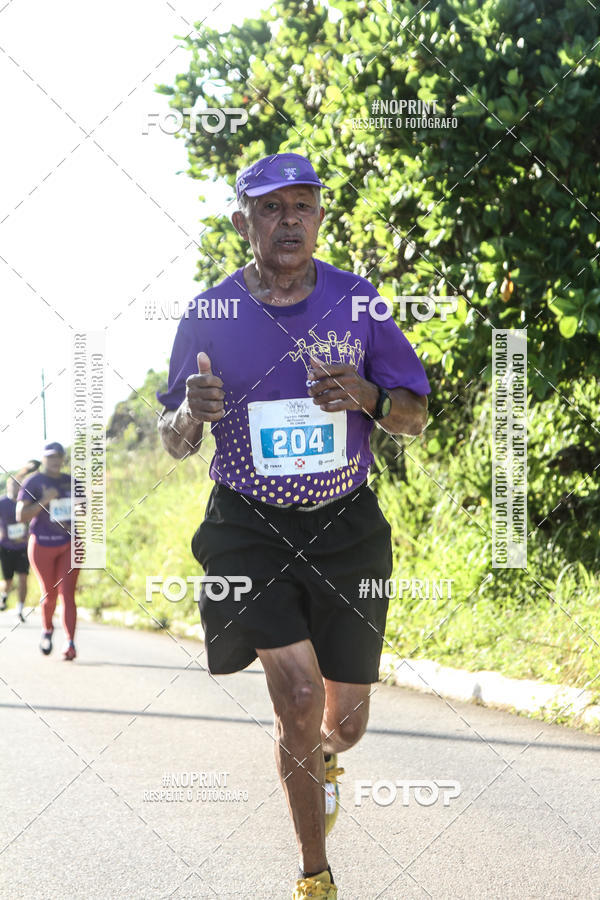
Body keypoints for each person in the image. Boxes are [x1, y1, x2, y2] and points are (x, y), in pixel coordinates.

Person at [157, 152, 430, 899]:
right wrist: (189, 413)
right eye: (271, 209)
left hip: (347, 524)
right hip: (247, 525)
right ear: (242, 221)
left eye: (302, 206)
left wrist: (370, 396)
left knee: (345, 723)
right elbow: (173, 437)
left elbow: (414, 414)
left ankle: (324, 759)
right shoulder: (209, 314)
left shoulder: (358, 302)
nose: (289, 221)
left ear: (318, 218)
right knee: (298, 700)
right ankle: (316, 875)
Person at [16, 442, 80, 660]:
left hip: (69, 543)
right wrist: (45, 500)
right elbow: (21, 516)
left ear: (63, 458)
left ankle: (70, 643)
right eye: (50, 456)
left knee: (67, 593)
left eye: (58, 456)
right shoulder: (33, 482)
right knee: (50, 594)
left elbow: (85, 510)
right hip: (42, 544)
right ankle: (47, 630)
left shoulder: (71, 482)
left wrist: (76, 516)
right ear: (44, 459)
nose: (55, 460)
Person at [0, 475, 31, 621]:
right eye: (12, 485)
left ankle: (20, 609)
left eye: (17, 485)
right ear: (8, 487)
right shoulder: (2, 502)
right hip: (6, 546)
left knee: (23, 578)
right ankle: (4, 595)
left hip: (22, 547)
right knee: (8, 581)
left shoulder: (25, 502)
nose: (15, 488)